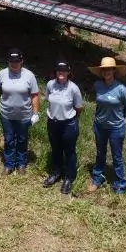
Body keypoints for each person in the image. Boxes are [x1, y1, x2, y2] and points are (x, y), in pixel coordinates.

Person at [87, 57, 126, 194]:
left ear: (114, 71)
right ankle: (97, 178)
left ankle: (120, 185)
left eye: (109, 69)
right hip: (100, 126)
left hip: (116, 128)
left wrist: (119, 117)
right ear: (101, 72)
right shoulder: (98, 85)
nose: (106, 72)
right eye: (104, 69)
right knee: (100, 153)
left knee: (117, 157)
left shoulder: (121, 89)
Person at [0, 49, 40, 175]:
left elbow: (35, 95)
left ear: (21, 61)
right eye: (12, 61)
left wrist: (36, 113)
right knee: (8, 140)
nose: (14, 64)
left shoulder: (29, 75)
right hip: (6, 114)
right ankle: (9, 164)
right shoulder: (2, 74)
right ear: (8, 61)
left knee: (22, 139)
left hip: (24, 115)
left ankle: (21, 164)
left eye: (17, 61)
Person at [42, 61, 84, 195]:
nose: (61, 72)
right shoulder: (50, 84)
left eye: (64, 70)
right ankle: (56, 173)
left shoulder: (73, 88)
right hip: (53, 123)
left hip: (68, 124)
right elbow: (48, 100)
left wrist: (70, 117)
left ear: (68, 73)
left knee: (69, 151)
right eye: (59, 70)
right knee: (55, 149)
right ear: (55, 72)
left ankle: (69, 178)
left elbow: (79, 107)